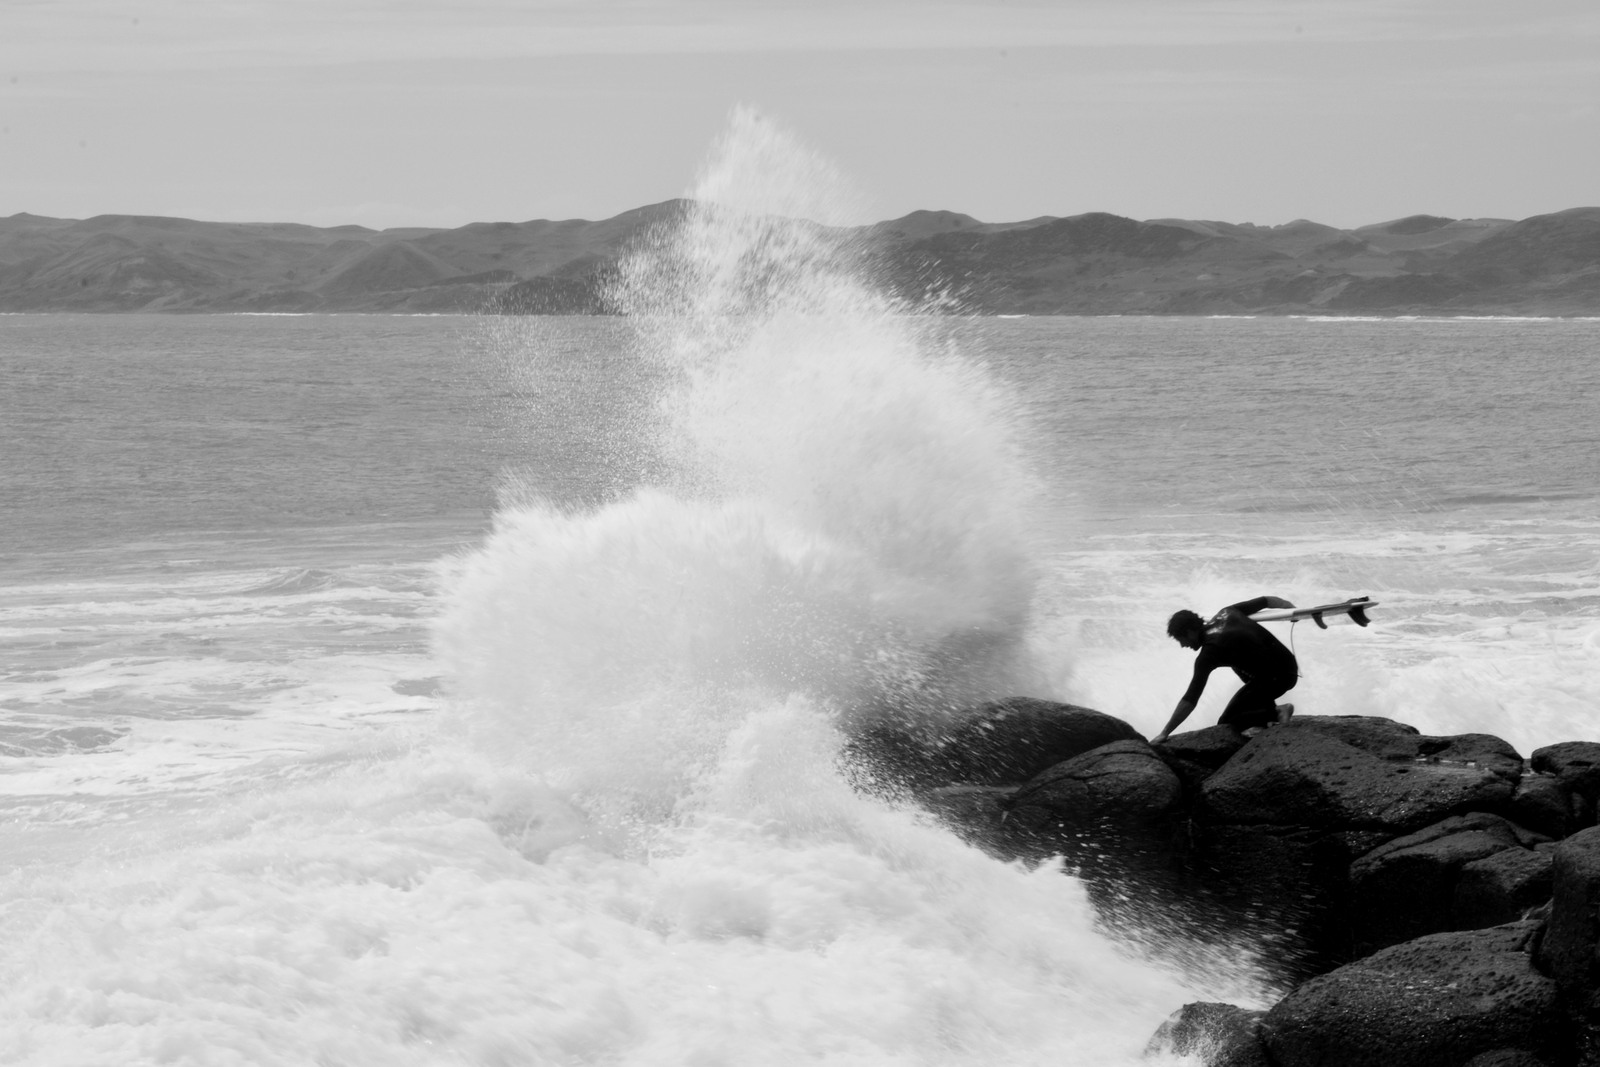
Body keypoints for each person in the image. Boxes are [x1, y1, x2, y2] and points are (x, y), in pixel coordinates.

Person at [1151, 596, 1298, 744]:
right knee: (1237, 660)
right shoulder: (1228, 612)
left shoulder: (1209, 653)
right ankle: (1268, 713)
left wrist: (1165, 732)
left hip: (1277, 678)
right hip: (1289, 666)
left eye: (1180, 639)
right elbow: (1265, 601)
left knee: (1227, 722)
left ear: (1189, 632)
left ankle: (1277, 712)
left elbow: (1191, 698)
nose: (1183, 645)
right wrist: (1291, 608)